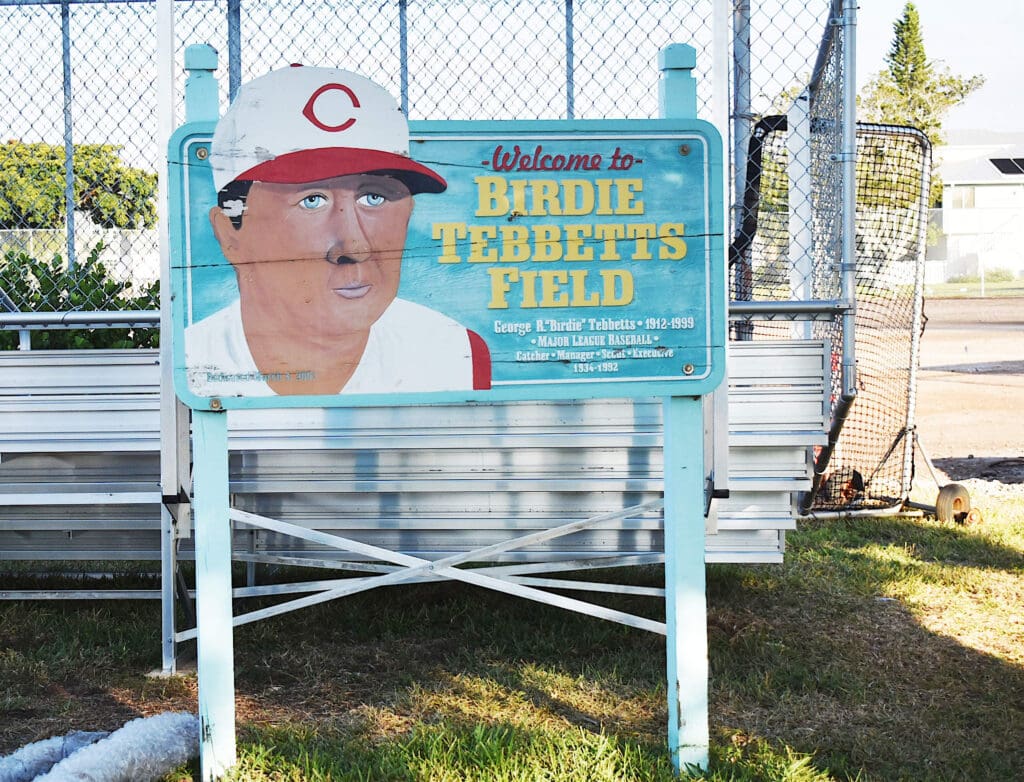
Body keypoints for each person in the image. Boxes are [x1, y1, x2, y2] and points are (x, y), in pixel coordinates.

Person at [185, 65, 490, 397]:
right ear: (230, 233)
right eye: (312, 200)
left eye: (374, 197)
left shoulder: (450, 354)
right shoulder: (196, 359)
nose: (354, 245)